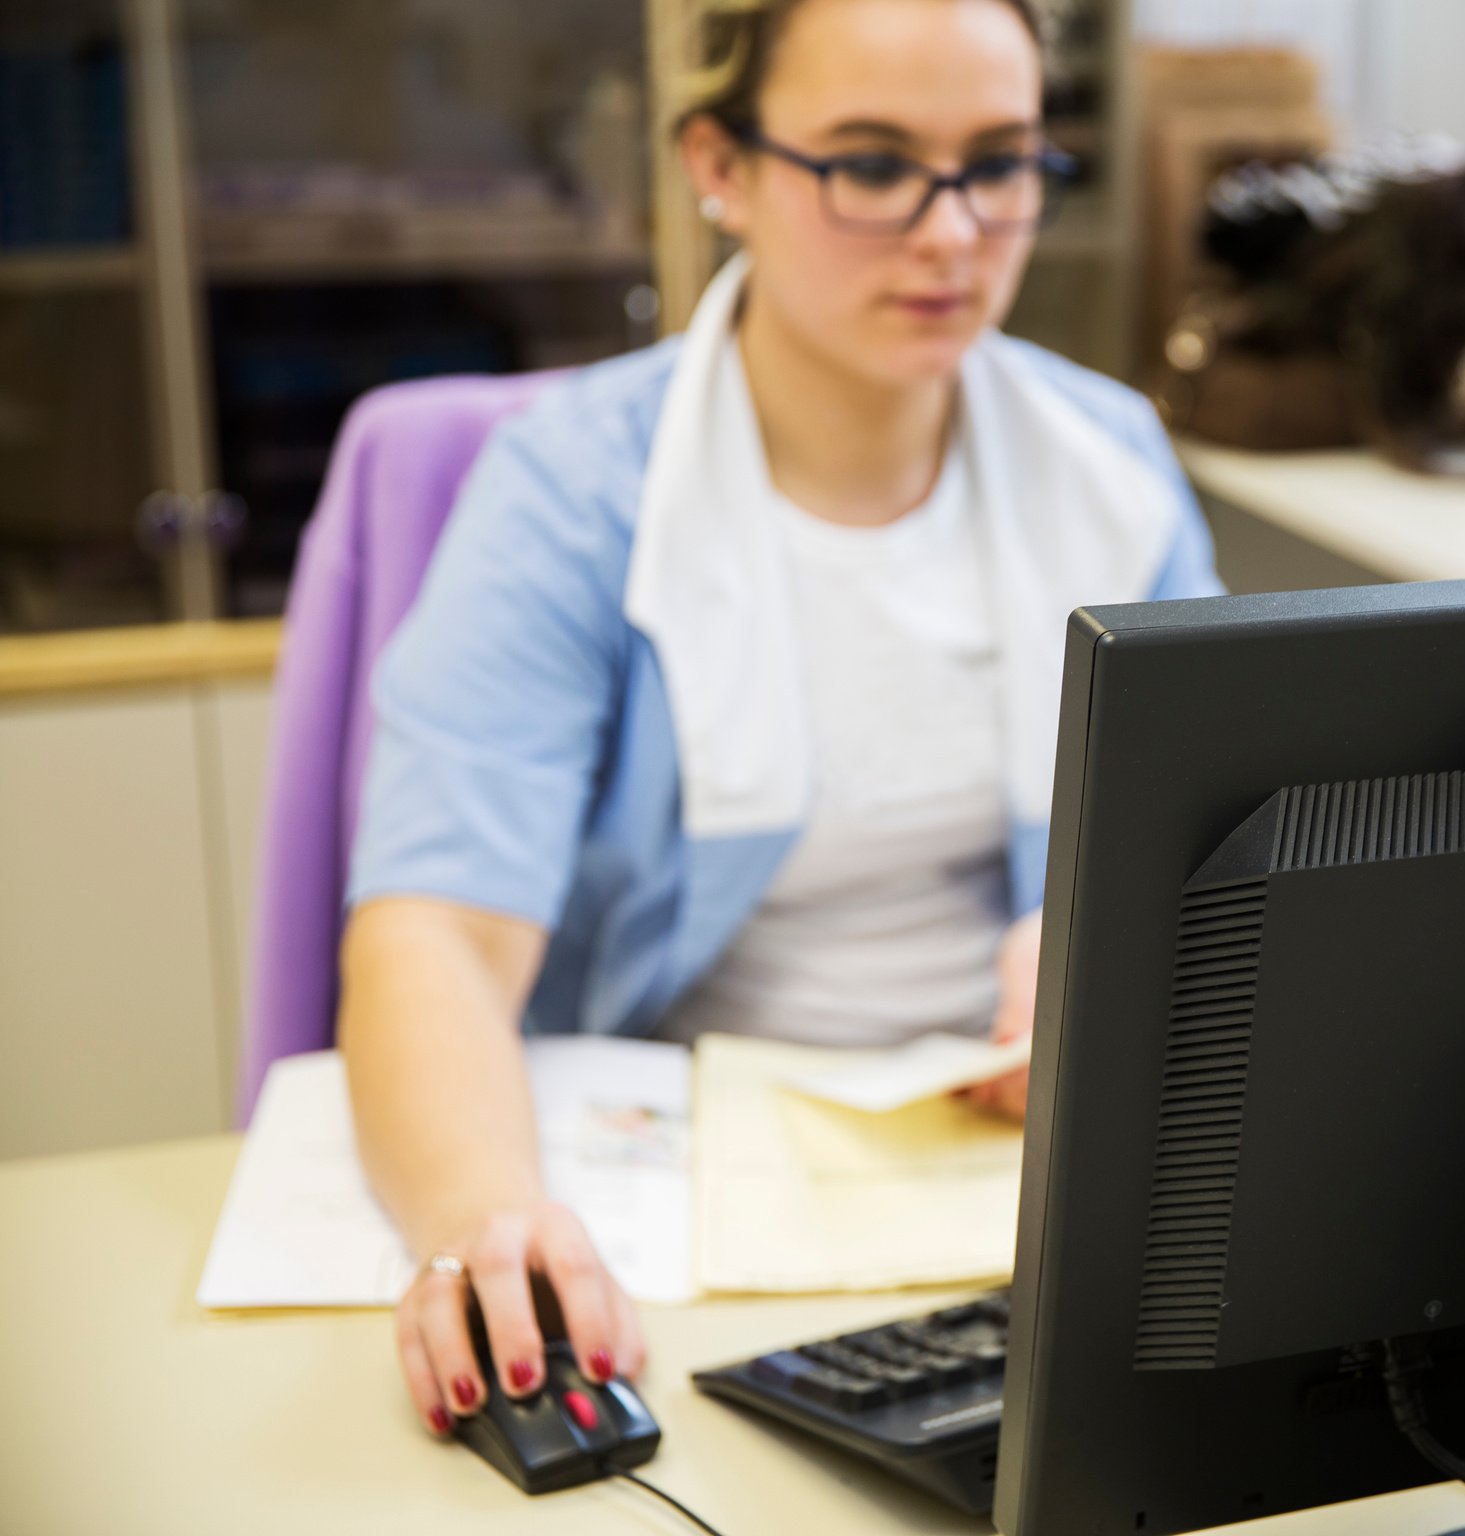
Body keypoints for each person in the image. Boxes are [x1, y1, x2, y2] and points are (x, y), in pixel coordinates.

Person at [336, 0, 1220, 1441]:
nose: (951, 233)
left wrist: (1097, 951)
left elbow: (1215, 849)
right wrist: (488, 1221)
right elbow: (435, 928)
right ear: (720, 165)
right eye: (872, 165)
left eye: (998, 163)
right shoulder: (571, 495)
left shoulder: (1107, 464)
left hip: (1022, 1188)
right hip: (680, 1194)